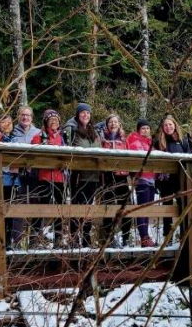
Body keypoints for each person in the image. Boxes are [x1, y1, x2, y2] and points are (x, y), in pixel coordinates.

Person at [64, 103, 101, 247]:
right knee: (76, 206)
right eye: (83, 113)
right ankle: (73, 239)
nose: (85, 115)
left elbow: (100, 149)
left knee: (88, 207)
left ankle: (86, 239)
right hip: (78, 174)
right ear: (78, 114)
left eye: (88, 113)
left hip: (93, 175)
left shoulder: (94, 131)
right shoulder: (72, 129)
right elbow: (67, 148)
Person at [31, 109, 66, 248]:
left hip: (59, 177)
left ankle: (58, 237)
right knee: (41, 206)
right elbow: (33, 153)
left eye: (56, 120)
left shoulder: (63, 137)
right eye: (51, 120)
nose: (54, 122)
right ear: (46, 121)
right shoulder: (39, 136)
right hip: (44, 176)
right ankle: (35, 238)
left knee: (59, 207)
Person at [154, 114, 191, 242]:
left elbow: (189, 157)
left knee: (183, 206)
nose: (168, 127)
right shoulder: (159, 141)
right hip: (165, 180)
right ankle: (167, 236)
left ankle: (184, 234)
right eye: (165, 125)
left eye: (170, 124)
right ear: (162, 127)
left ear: (175, 126)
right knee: (167, 208)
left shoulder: (182, 141)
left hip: (180, 179)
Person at [0, 114, 20, 249]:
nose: (7, 124)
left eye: (9, 122)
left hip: (13, 180)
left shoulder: (14, 139)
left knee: (9, 212)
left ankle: (7, 242)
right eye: (4, 121)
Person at [11, 106, 41, 247]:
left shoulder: (38, 132)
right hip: (17, 174)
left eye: (28, 115)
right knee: (18, 206)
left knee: (36, 205)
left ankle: (34, 240)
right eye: (22, 115)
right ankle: (17, 241)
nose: (25, 117)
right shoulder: (12, 132)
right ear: (18, 116)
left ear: (32, 117)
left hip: (34, 173)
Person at [100, 114, 132, 247]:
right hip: (107, 176)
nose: (113, 124)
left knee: (125, 206)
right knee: (107, 207)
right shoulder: (102, 139)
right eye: (110, 122)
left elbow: (131, 155)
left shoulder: (124, 140)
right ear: (107, 125)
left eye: (115, 122)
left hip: (122, 176)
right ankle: (109, 237)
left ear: (119, 124)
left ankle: (125, 236)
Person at [127, 118, 157, 247]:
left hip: (151, 178)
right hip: (142, 178)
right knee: (142, 207)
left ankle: (146, 236)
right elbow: (138, 155)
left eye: (147, 128)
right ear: (138, 130)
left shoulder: (150, 142)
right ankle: (144, 237)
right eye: (143, 128)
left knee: (148, 208)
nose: (145, 130)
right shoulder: (135, 141)